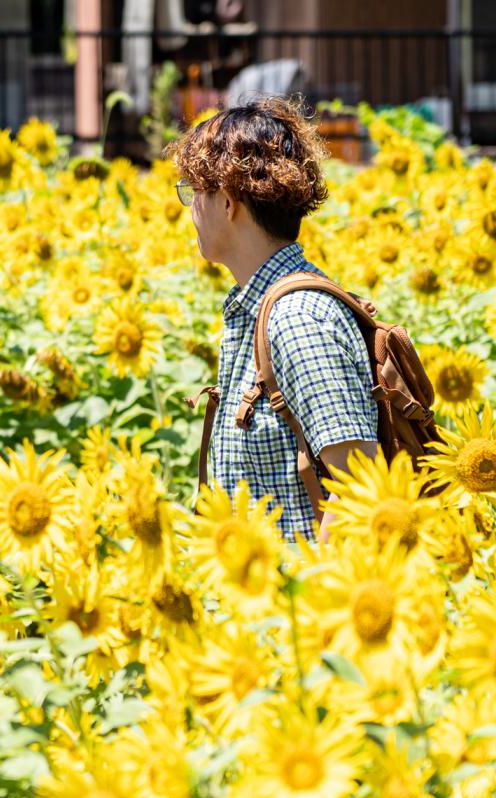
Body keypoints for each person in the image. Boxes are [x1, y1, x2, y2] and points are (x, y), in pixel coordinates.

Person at [170, 96, 378, 538]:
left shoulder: (297, 319)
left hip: (302, 599)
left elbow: (359, 490)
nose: (190, 211)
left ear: (227, 202)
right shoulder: (260, 307)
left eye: (193, 191)